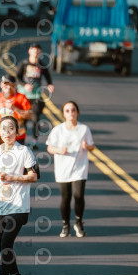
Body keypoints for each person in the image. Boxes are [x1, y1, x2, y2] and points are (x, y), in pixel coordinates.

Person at [0, 115, 38, 275]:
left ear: (17, 131)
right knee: (2, 245)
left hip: (19, 206)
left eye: (11, 128)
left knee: (6, 243)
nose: (7, 132)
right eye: (3, 129)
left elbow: (34, 176)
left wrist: (11, 177)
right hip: (0, 204)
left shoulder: (24, 151)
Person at [46, 101, 95, 238]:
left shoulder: (84, 129)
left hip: (80, 167)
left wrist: (87, 146)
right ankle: (65, 225)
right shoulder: (58, 130)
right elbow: (49, 147)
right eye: (67, 111)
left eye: (73, 110)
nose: (71, 113)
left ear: (77, 112)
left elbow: (92, 146)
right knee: (66, 197)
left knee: (79, 195)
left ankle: (78, 223)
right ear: (63, 114)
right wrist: (59, 150)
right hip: (63, 168)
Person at [16, 43, 54, 150]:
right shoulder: (24, 63)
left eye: (38, 50)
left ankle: (34, 141)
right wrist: (25, 85)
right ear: (29, 51)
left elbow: (47, 76)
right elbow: (17, 77)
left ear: (40, 52)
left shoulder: (41, 65)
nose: (36, 52)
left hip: (36, 96)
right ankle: (21, 140)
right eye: (34, 50)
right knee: (22, 119)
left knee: (35, 118)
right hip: (23, 96)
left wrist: (50, 84)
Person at [0, 75, 32, 144]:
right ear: (1, 85)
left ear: (15, 85)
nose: (8, 87)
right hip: (1, 135)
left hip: (18, 136)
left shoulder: (21, 97)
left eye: (10, 85)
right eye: (5, 84)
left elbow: (30, 116)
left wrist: (15, 108)